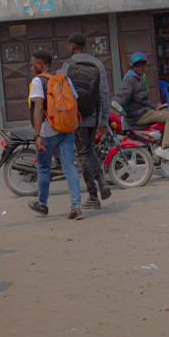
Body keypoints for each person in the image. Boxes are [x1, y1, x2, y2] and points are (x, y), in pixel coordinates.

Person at [26, 49, 83, 219]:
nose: (31, 67)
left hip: (48, 131)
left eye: (33, 64)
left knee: (43, 168)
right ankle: (75, 207)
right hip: (66, 130)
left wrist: (37, 135)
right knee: (70, 167)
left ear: (40, 64)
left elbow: (38, 108)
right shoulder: (64, 79)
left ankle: (42, 205)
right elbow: (74, 101)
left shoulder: (38, 81)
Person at [60, 32, 111, 210]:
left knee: (83, 154)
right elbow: (105, 93)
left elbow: (62, 93)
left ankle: (93, 195)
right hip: (94, 115)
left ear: (71, 47)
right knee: (89, 150)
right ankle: (102, 182)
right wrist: (104, 118)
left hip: (77, 117)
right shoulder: (97, 64)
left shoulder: (68, 65)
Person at [112, 52, 169, 163]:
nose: (141, 68)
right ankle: (165, 148)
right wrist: (119, 108)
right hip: (138, 116)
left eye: (142, 65)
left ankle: (157, 164)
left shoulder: (138, 79)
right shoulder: (130, 80)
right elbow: (120, 97)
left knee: (164, 115)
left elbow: (141, 101)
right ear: (132, 67)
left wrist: (154, 106)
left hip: (142, 112)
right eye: (138, 65)